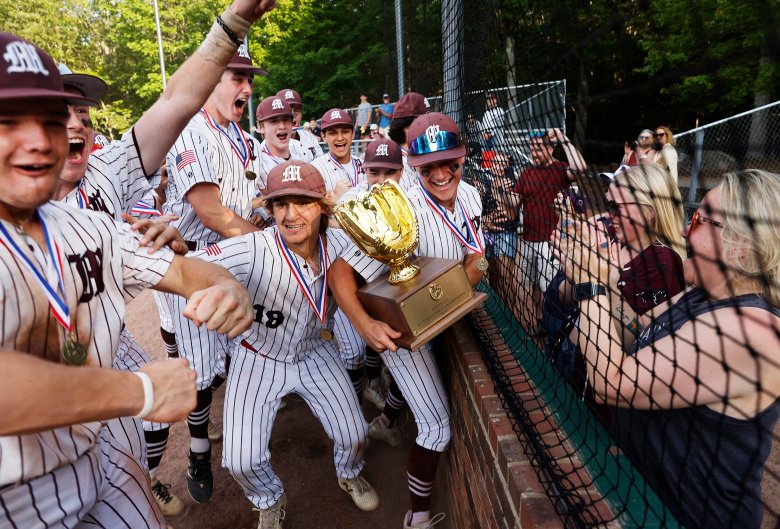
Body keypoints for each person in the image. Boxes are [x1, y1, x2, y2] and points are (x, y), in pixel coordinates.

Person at [0, 32, 255, 528]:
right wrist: (139, 390)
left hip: (95, 434)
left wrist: (223, 282)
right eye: (12, 118)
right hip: (15, 493)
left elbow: (182, 268)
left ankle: (151, 470)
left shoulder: (91, 216)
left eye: (58, 116)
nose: (54, 131)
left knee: (148, 440)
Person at [551, 169, 780, 529]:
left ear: (740, 245)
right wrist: (596, 265)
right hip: (644, 494)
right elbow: (637, 326)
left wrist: (589, 284)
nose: (686, 231)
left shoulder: (751, 330)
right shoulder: (701, 294)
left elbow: (613, 382)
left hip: (690, 517)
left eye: (699, 220)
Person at [194, 161, 379, 526]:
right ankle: (268, 499)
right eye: (281, 204)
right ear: (271, 209)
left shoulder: (341, 244)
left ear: (322, 205)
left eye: (303, 202)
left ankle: (349, 472)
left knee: (355, 433)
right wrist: (169, 251)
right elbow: (194, 265)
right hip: (257, 356)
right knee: (241, 459)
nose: (291, 214)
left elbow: (383, 272)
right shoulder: (253, 247)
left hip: (316, 351)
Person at [331, 112, 484, 529]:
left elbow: (472, 257)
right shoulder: (401, 205)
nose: (440, 174)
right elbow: (340, 272)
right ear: (413, 166)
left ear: (462, 157)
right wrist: (364, 326)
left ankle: (384, 422)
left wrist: (473, 271)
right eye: (427, 166)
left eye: (448, 162)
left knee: (414, 385)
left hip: (435, 313)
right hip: (398, 330)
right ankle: (417, 517)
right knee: (436, 428)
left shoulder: (471, 196)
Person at [163, 41, 269, 504]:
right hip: (193, 265)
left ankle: (240, 430)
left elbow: (250, 197)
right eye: (236, 78)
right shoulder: (191, 132)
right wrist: (269, 243)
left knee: (239, 353)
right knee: (202, 372)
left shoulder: (241, 136)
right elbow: (209, 212)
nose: (246, 88)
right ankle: (198, 450)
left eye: (249, 79)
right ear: (210, 82)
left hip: (236, 254)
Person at [514, 128, 586, 336]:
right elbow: (514, 201)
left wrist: (563, 138)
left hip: (551, 242)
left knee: (551, 287)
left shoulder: (560, 169)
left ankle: (553, 326)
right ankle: (539, 320)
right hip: (528, 239)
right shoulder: (526, 173)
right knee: (531, 284)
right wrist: (503, 193)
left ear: (550, 149)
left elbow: (580, 168)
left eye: (538, 149)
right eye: (532, 149)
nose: (534, 153)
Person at [472, 151, 522, 297]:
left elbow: (510, 215)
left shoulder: (510, 183)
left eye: (502, 164)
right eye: (496, 163)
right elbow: (478, 210)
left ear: (507, 166)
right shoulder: (485, 180)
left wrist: (497, 192)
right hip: (487, 236)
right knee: (493, 278)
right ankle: (501, 307)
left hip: (505, 234)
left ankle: (510, 309)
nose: (498, 167)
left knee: (506, 279)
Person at [311, 108, 364, 201]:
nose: (340, 138)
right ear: (324, 137)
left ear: (352, 134)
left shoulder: (364, 165)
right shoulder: (315, 169)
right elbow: (311, 206)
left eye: (345, 131)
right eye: (333, 133)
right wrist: (334, 197)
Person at [388, 91, 431, 190]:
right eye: (425, 121)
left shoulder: (424, 154)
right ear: (407, 127)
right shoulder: (395, 165)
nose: (431, 125)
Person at [277, 88, 323, 162]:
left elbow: (321, 162)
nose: (293, 116)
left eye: (296, 111)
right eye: (287, 111)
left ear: (301, 114)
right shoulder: (270, 144)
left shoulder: (309, 137)